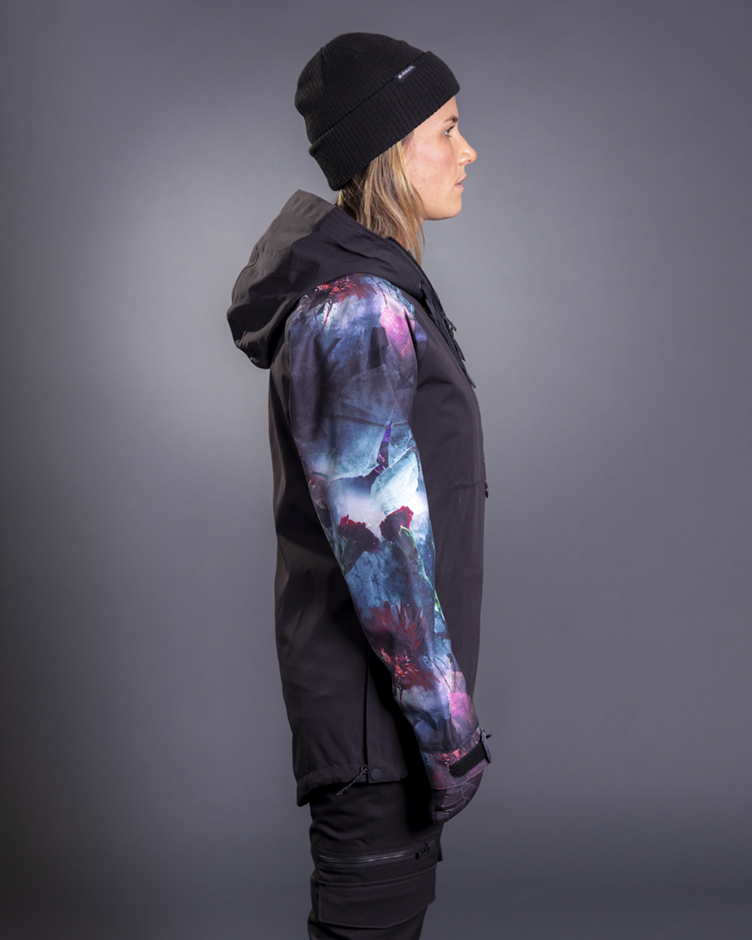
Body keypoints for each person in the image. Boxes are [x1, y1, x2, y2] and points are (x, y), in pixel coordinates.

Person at [227, 32, 491, 940]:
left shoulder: (378, 291)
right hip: (383, 734)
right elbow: (384, 563)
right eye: (446, 128)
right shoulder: (358, 309)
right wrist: (450, 739)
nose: (468, 151)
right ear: (388, 147)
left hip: (388, 730)